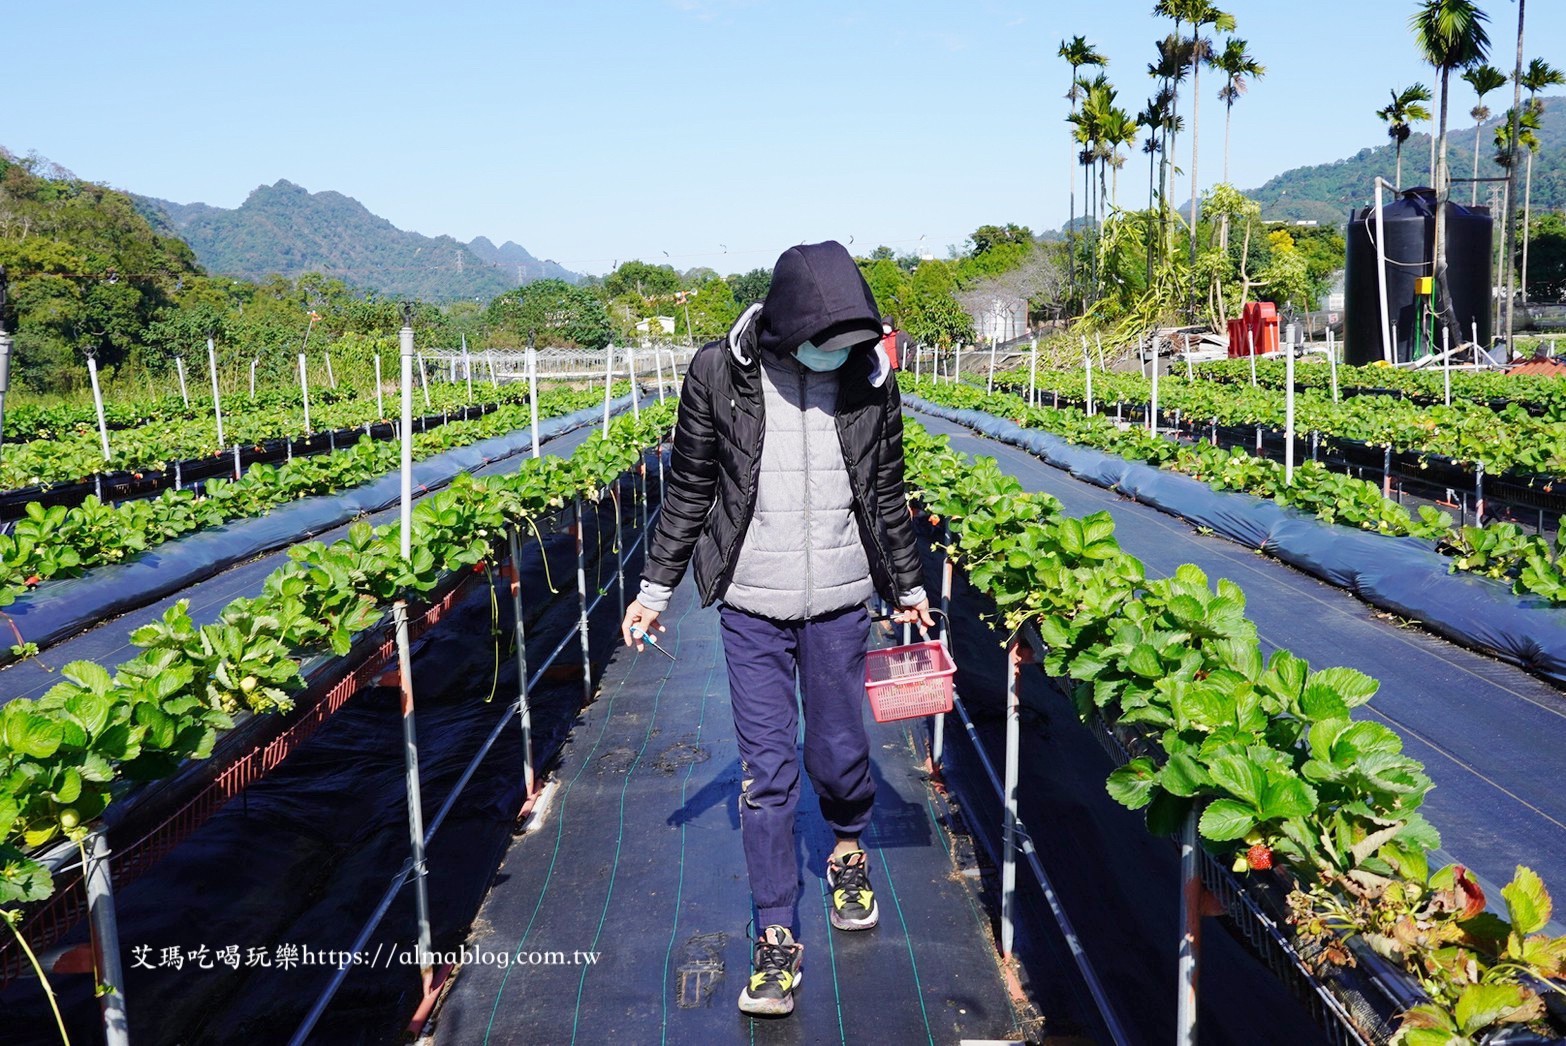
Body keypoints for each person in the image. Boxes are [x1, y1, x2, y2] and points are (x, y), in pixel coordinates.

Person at [621, 240, 933, 1018]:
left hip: (839, 600)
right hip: (751, 605)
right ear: (788, 324)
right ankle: (774, 937)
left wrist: (908, 585)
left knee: (837, 749)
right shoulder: (718, 374)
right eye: (824, 341)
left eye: (848, 343)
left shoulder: (868, 375)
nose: (836, 354)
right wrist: (654, 590)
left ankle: (848, 850)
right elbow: (690, 486)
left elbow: (885, 490)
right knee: (764, 775)